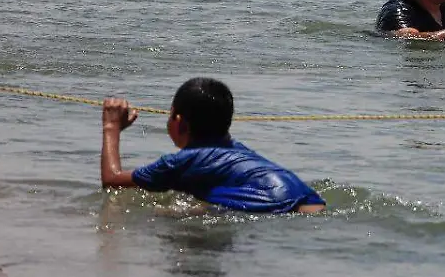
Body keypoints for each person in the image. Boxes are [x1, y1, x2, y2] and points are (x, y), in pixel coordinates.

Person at [99, 77, 326, 214]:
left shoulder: (183, 161)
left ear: (178, 123)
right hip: (311, 203)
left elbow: (112, 181)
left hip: (276, 210)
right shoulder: (239, 151)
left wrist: (111, 127)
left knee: (162, 216)